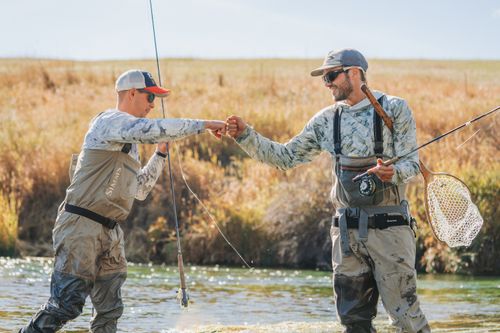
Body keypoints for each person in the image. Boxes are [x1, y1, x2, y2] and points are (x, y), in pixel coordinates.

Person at [226, 49, 431, 333]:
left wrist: (393, 173)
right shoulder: (325, 119)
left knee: (406, 317)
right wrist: (245, 135)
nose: (327, 83)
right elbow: (285, 158)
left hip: (391, 231)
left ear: (355, 73)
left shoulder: (395, 108)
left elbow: (412, 162)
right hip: (346, 235)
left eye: (332, 75)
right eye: (324, 78)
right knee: (352, 322)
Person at [21, 69, 226, 333]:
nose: (153, 105)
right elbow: (151, 130)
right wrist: (205, 125)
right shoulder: (109, 122)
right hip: (80, 226)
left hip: (111, 232)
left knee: (110, 312)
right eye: (150, 97)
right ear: (131, 94)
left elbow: (139, 190)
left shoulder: (133, 139)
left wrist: (160, 155)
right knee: (66, 305)